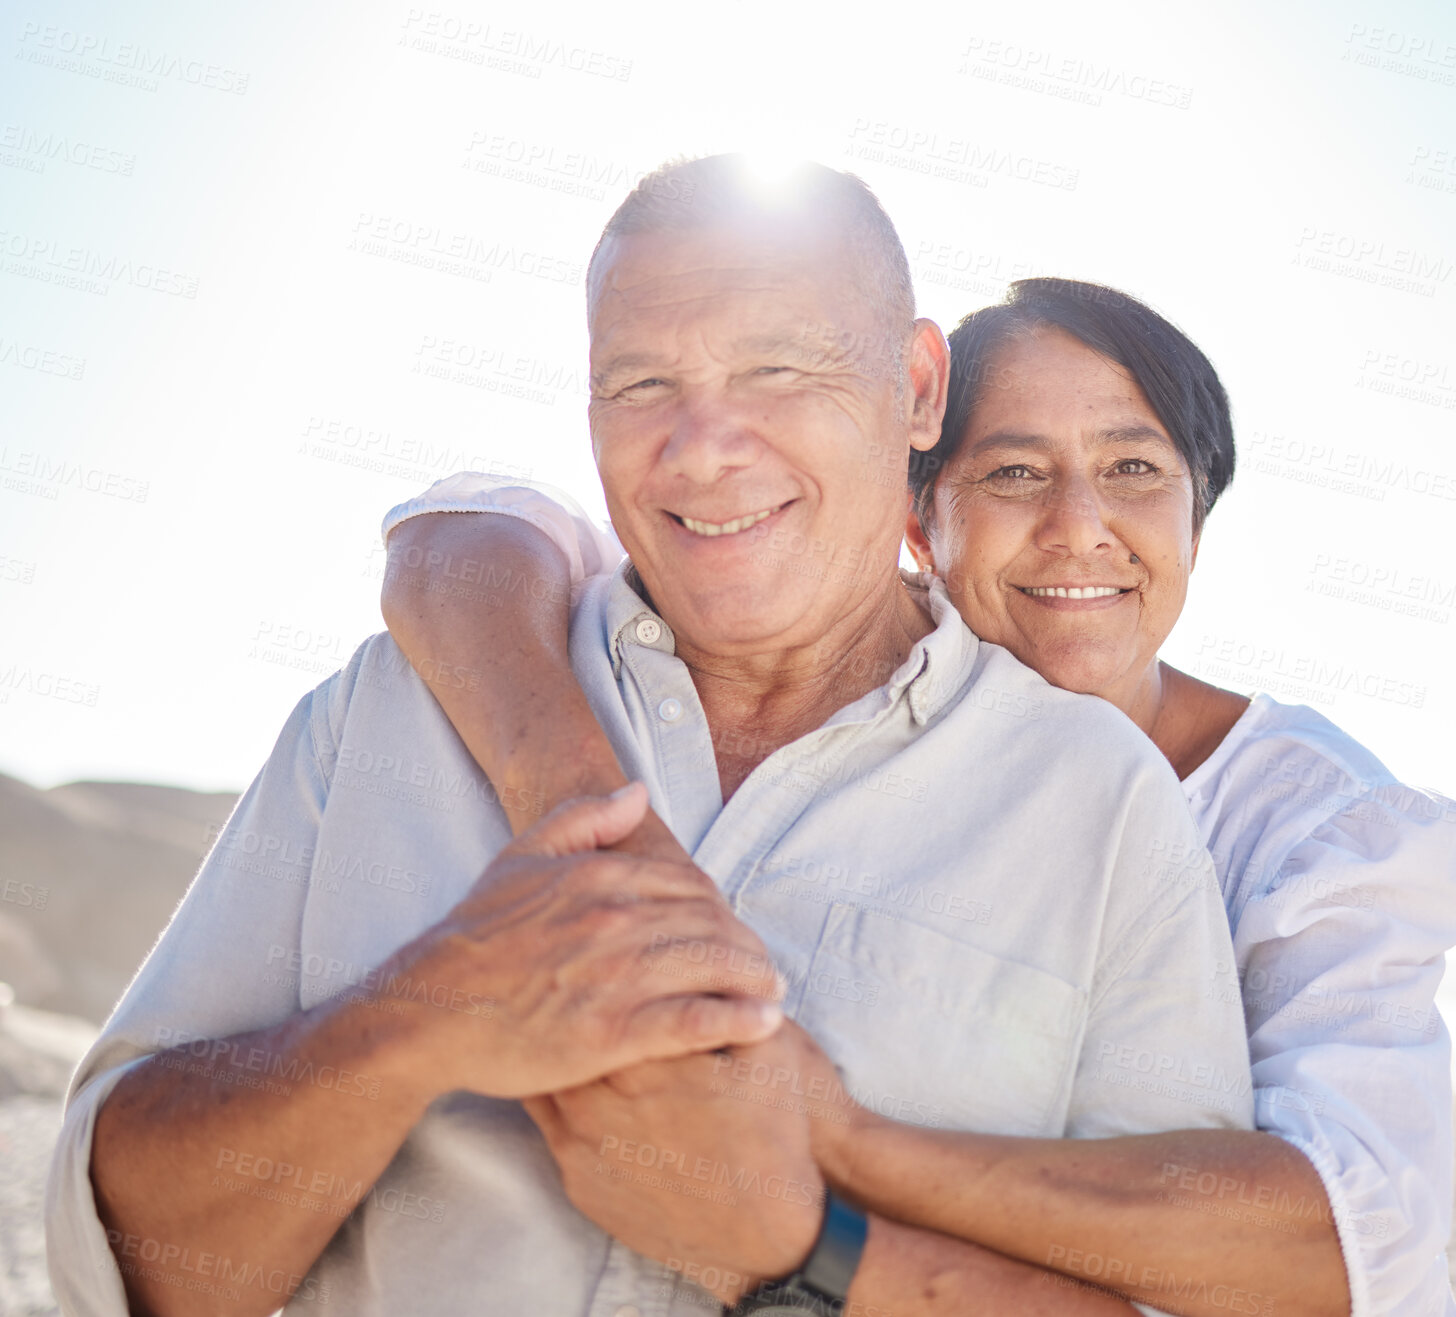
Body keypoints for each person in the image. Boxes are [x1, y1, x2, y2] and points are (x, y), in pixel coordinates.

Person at [47, 157, 1252, 1317]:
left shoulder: (1100, 810)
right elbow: (144, 1267)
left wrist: (796, 1262)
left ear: (920, 387)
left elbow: (1178, 1295)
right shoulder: (394, 710)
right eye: (639, 387)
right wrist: (422, 1017)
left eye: (779, 370)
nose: (704, 448)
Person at [378, 278, 1456, 1317]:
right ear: (916, 521)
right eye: (1011, 474)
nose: (1079, 525)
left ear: (1199, 524)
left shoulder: (1319, 831)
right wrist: (594, 819)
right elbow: (466, 532)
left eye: (1135, 470)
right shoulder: (810, 674)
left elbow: (1344, 1243)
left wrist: (835, 1146)